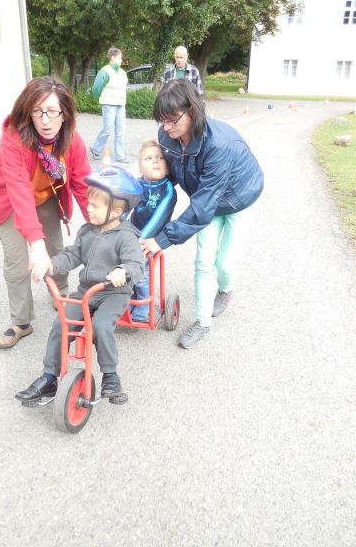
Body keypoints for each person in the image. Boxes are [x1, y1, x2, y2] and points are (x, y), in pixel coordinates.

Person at [141, 79, 264, 349]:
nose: (167, 127)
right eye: (163, 121)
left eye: (173, 120)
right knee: (203, 261)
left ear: (192, 111)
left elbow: (201, 209)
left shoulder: (219, 145)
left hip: (239, 199)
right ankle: (202, 321)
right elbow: (170, 173)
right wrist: (145, 191)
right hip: (207, 200)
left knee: (225, 264)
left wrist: (162, 239)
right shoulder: (168, 136)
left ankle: (226, 289)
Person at [15, 166, 145, 403]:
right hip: (87, 291)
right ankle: (49, 377)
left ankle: (110, 375)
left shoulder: (126, 236)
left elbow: (136, 264)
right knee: (61, 324)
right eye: (88, 203)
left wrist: (122, 271)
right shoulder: (87, 231)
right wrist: (51, 265)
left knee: (101, 325)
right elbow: (73, 255)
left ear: (117, 211)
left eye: (95, 206)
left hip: (113, 293)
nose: (88, 208)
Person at [0, 75, 91, 349]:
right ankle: (21, 322)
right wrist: (35, 243)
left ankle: (63, 298)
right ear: (28, 112)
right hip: (11, 197)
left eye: (52, 111)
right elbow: (19, 190)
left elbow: (83, 184)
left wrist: (100, 223)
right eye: (38, 111)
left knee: (55, 249)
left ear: (64, 113)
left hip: (45, 193)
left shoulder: (72, 140)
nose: (45, 120)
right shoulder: (13, 139)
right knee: (17, 260)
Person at [130, 140, 177, 321]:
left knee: (142, 269)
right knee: (118, 259)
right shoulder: (136, 184)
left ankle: (143, 305)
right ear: (141, 168)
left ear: (167, 167)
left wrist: (140, 241)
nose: (155, 161)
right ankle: (127, 298)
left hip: (152, 238)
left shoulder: (168, 190)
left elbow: (159, 218)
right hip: (135, 233)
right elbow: (124, 207)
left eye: (160, 158)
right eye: (149, 158)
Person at [90, 47, 129, 163]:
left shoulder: (122, 73)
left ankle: (120, 156)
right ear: (112, 58)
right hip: (108, 104)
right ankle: (96, 148)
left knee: (120, 131)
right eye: (119, 58)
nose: (121, 60)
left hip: (121, 104)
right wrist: (98, 100)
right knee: (107, 129)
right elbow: (96, 88)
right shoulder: (104, 71)